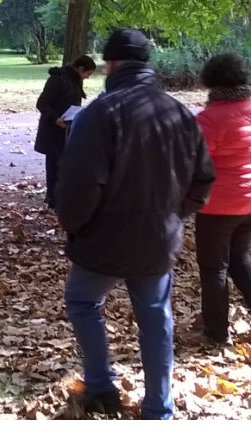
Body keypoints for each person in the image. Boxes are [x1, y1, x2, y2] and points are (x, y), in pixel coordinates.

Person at [56, 28, 215, 419]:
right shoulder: (178, 112)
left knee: (82, 300)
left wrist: (76, 227)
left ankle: (99, 385)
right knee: (155, 316)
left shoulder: (98, 113)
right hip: (156, 239)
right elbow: (203, 179)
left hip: (102, 239)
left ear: (110, 64)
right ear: (147, 65)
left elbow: (79, 186)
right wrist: (174, 216)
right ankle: (159, 407)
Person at [193, 51, 251, 346]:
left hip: (219, 203)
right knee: (239, 257)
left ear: (210, 81)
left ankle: (215, 333)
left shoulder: (210, 118)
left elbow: (195, 160)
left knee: (214, 266)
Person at [34, 54, 96, 208]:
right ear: (81, 69)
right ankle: (53, 199)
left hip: (67, 128)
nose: (87, 77)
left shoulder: (75, 80)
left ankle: (62, 197)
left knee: (65, 164)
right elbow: (42, 103)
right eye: (87, 74)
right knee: (54, 165)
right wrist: (55, 119)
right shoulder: (58, 78)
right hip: (53, 128)